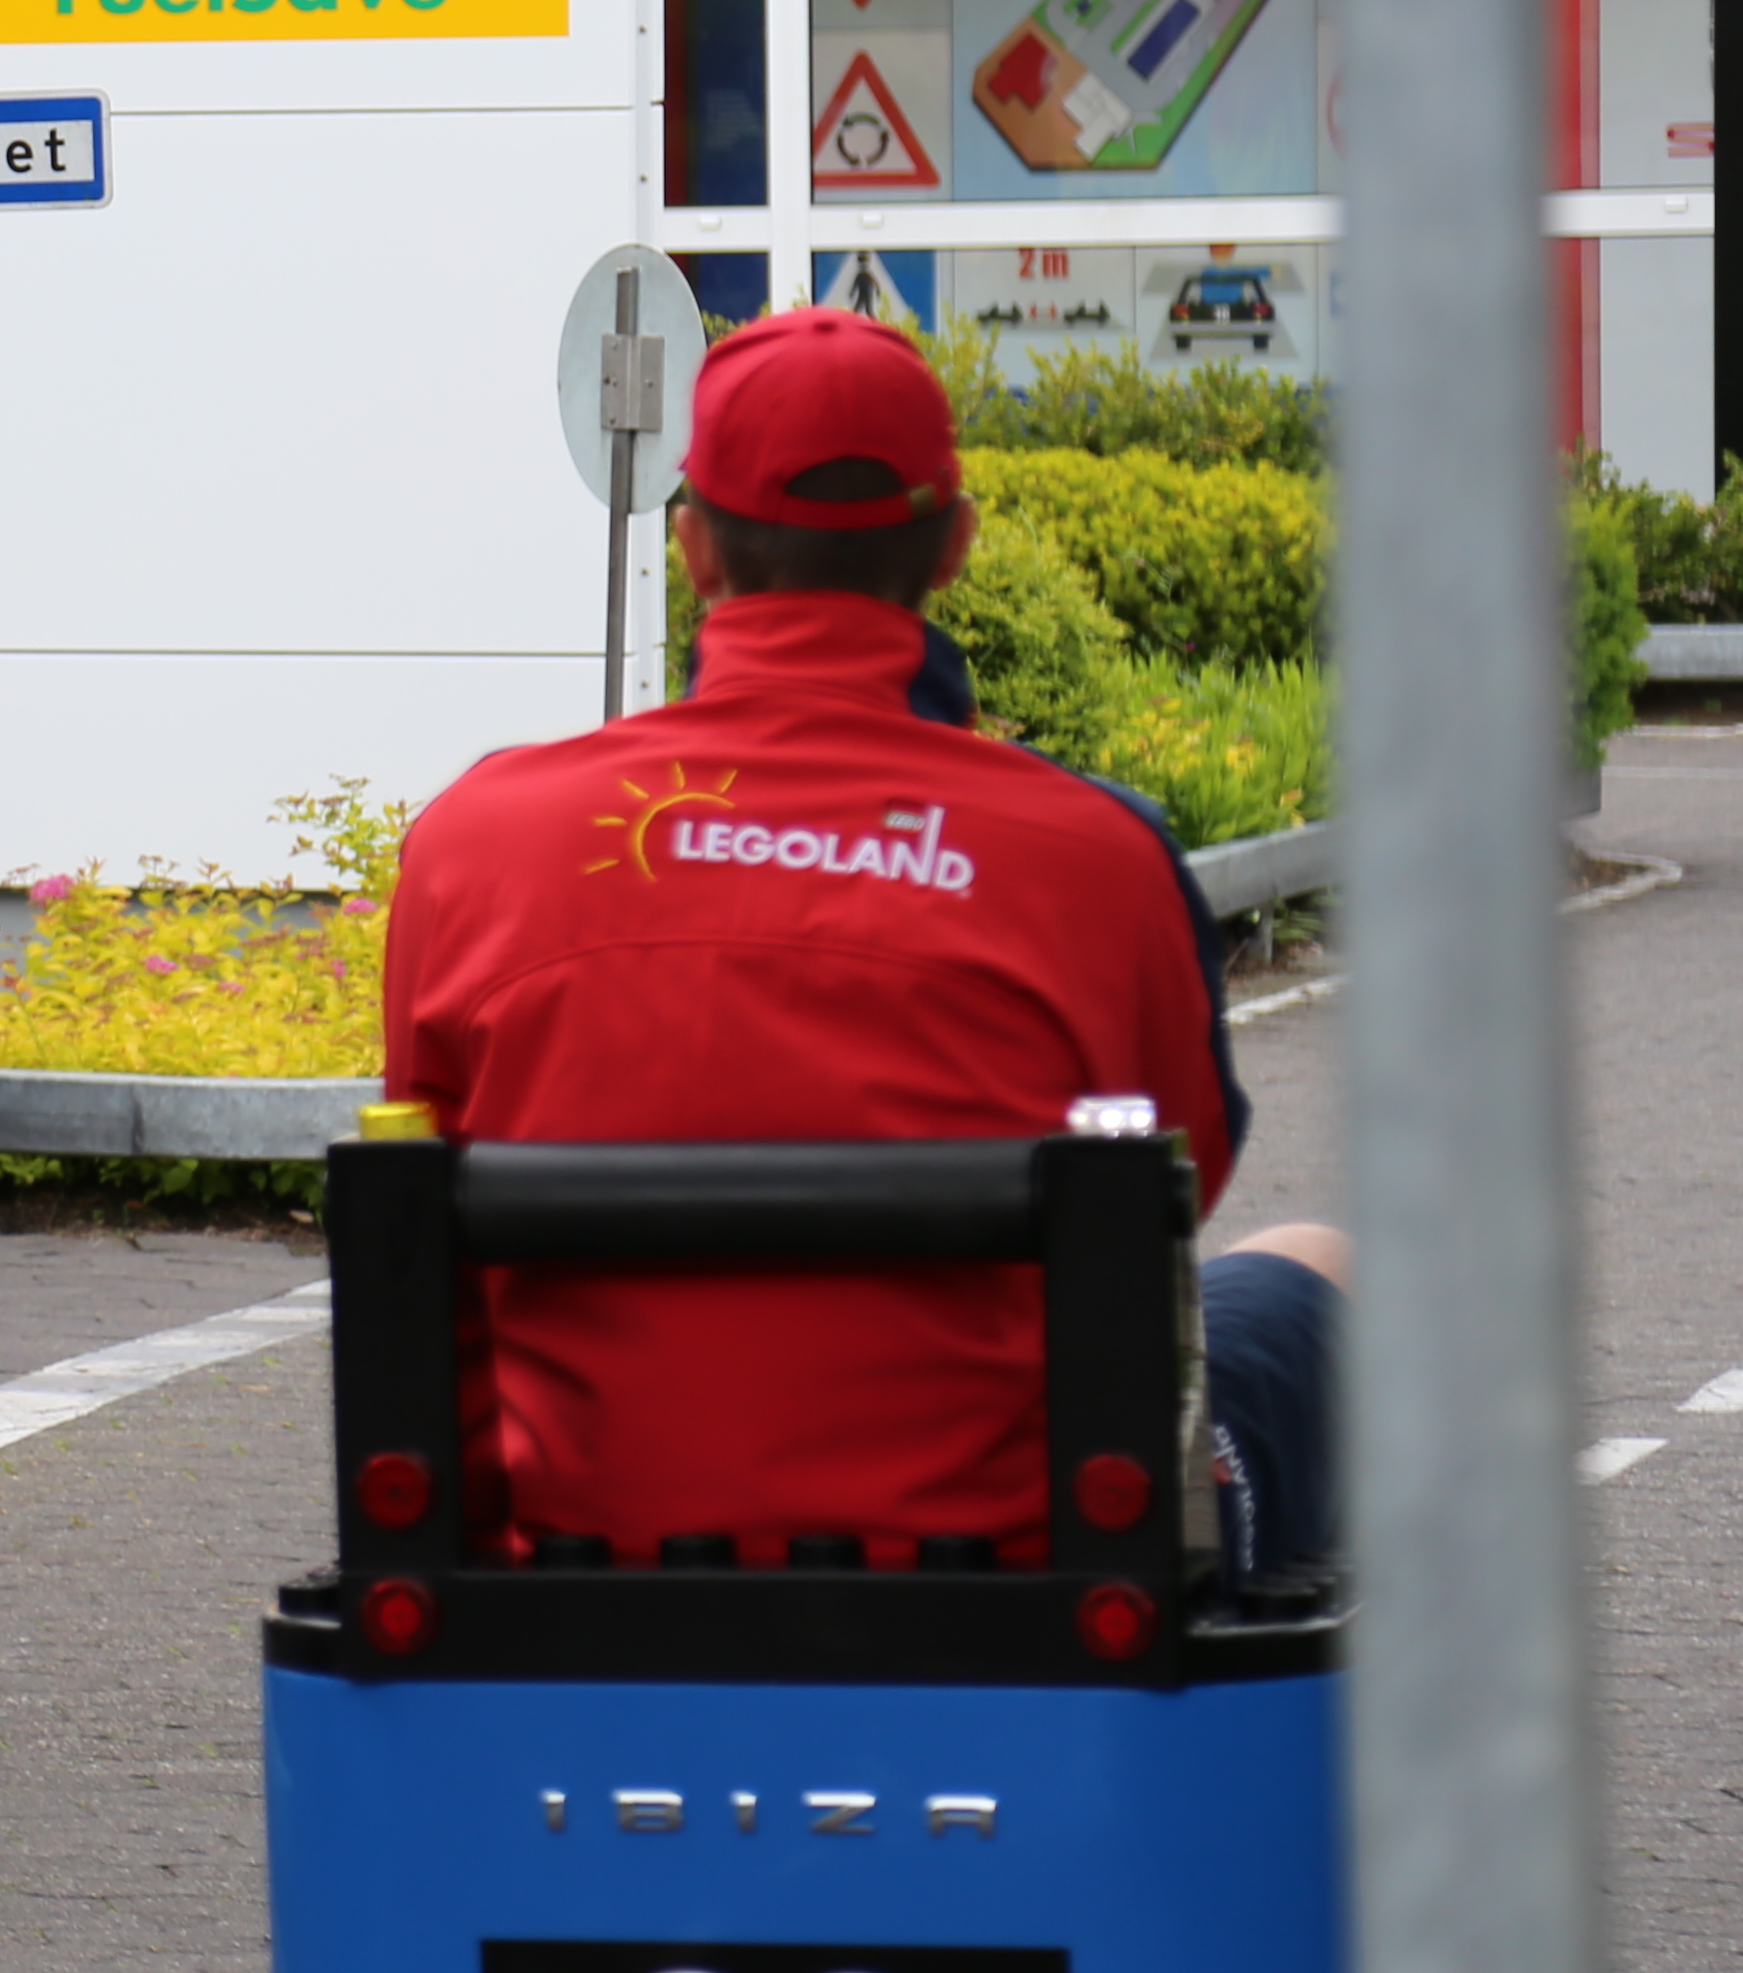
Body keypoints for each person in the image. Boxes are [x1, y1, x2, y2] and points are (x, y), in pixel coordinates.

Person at [381, 306, 1337, 1577]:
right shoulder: (1102, 862)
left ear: (694, 547)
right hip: (1022, 1588)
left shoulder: (474, 845)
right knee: (1329, 1270)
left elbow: (421, 1182)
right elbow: (1180, 1182)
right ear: (953, 546)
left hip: (566, 1571)